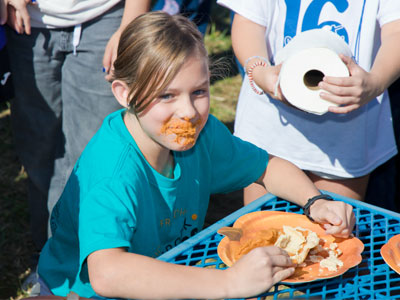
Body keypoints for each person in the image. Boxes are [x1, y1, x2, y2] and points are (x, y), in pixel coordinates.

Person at [37, 12, 355, 299]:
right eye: (167, 95)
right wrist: (229, 283)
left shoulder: (202, 134)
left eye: (199, 91)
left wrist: (316, 201)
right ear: (125, 93)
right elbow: (107, 273)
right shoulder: (112, 171)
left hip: (166, 270)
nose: (188, 112)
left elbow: (267, 167)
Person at [217, 0, 400, 205]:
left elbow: (396, 30)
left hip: (346, 137)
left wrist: (376, 81)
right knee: (261, 228)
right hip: (269, 129)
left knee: (331, 230)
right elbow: (248, 20)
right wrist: (259, 71)